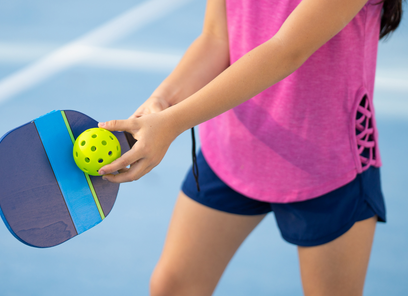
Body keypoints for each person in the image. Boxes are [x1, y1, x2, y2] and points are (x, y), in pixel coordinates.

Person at [97, 0, 403, 294]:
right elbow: (216, 38)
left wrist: (172, 123)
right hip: (232, 150)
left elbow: (288, 50)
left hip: (327, 164)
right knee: (172, 287)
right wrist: (161, 102)